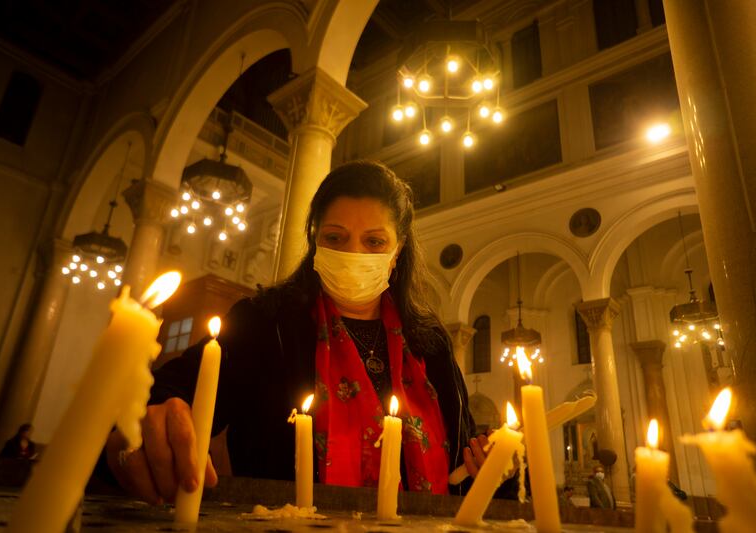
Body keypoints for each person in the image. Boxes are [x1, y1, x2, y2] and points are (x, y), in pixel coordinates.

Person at [106, 160, 481, 505]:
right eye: (335, 238)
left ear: (396, 251)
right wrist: (146, 425)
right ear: (315, 240)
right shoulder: (265, 323)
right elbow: (170, 394)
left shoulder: (429, 342)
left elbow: (464, 458)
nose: (354, 253)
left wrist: (490, 460)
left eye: (374, 242)